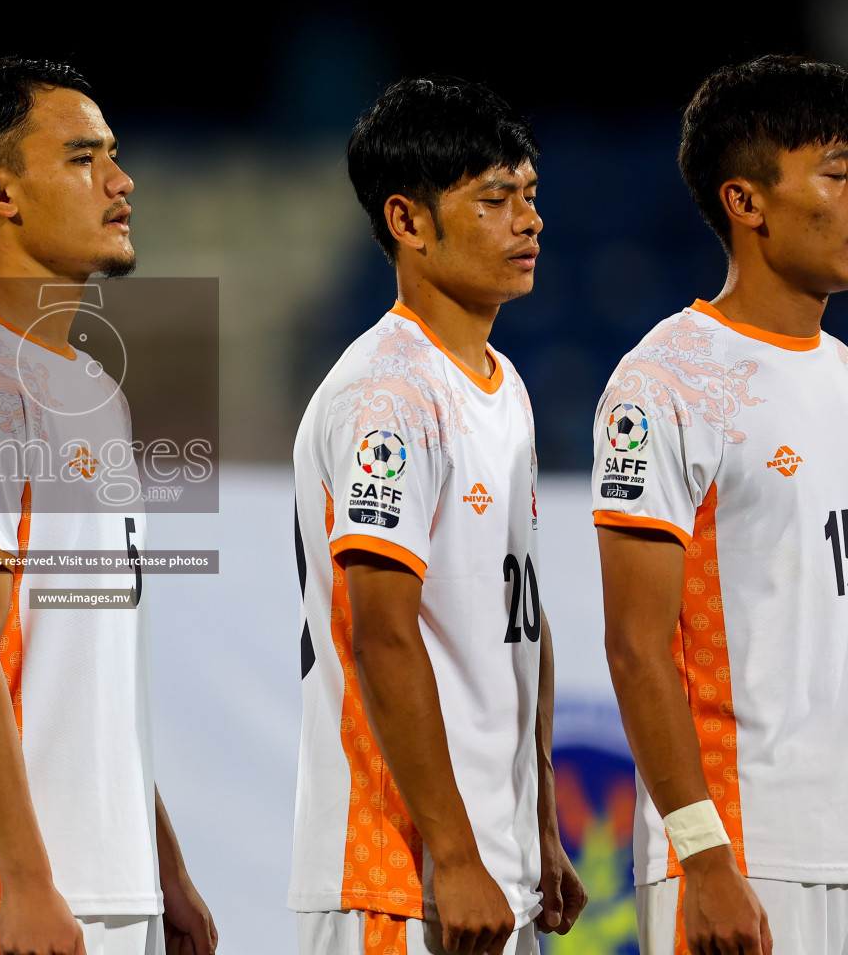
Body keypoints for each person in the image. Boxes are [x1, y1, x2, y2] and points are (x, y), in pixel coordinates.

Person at [0, 57, 216, 955]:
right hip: (15, 897)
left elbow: (81, 658)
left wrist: (164, 867)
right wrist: (27, 886)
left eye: (113, 155)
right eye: (83, 159)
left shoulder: (89, 389)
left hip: (110, 887)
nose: (122, 182)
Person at [289, 77, 585, 955]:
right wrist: (453, 854)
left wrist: (539, 826)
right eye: (495, 200)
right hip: (396, 877)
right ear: (409, 222)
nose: (528, 221)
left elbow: (518, 623)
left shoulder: (506, 386)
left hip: (496, 871)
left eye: (530, 197)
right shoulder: (389, 394)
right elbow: (384, 634)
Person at [594, 55, 848, 955]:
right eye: (839, 174)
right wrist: (703, 859)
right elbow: (636, 643)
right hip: (748, 855)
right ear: (747, 202)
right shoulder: (669, 381)